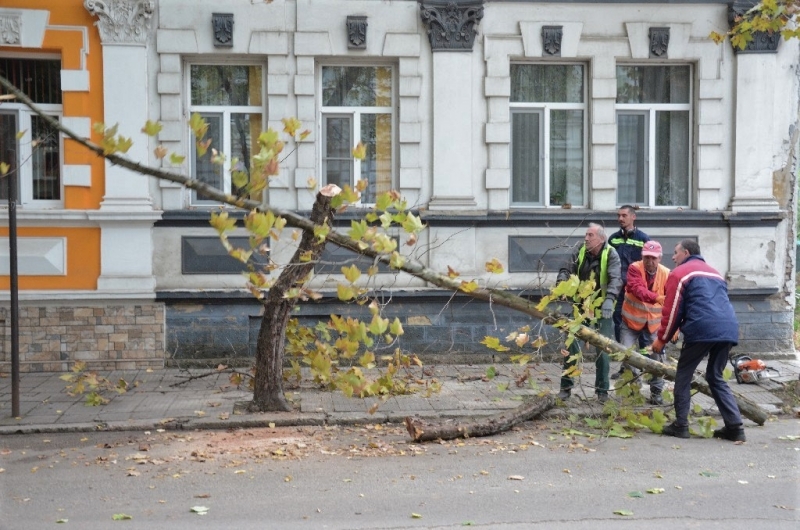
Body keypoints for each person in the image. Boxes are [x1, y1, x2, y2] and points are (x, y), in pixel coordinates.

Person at [652, 239, 745, 442]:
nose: (673, 257)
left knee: (683, 375)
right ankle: (735, 427)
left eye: (675, 253)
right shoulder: (715, 273)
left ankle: (681, 425)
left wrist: (662, 339)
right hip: (728, 329)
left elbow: (673, 310)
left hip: (702, 327)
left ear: (686, 252)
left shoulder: (679, 273)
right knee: (715, 376)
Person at [556, 223, 622, 403]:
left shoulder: (611, 254)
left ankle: (602, 391)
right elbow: (565, 269)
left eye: (590, 235)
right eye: (586, 235)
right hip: (581, 306)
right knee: (571, 345)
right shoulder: (580, 249)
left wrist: (609, 298)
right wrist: (561, 283)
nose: (586, 238)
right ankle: (566, 387)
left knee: (603, 348)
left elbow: (616, 279)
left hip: (603, 308)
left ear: (601, 239)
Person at [617, 240, 670, 405]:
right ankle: (633, 389)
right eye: (647, 257)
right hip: (631, 321)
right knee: (627, 354)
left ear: (660, 258)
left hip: (654, 323)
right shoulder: (634, 268)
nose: (650, 261)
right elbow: (636, 289)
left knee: (657, 357)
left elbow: (673, 302)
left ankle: (656, 392)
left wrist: (673, 328)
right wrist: (656, 297)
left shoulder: (668, 274)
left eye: (654, 258)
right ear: (642, 256)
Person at [609, 205, 650, 381]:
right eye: (618, 215)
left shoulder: (643, 239)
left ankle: (645, 366)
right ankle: (627, 366)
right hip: (618, 292)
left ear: (633, 217)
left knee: (641, 327)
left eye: (624, 215)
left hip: (637, 292)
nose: (620, 219)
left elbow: (649, 266)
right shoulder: (613, 239)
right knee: (620, 326)